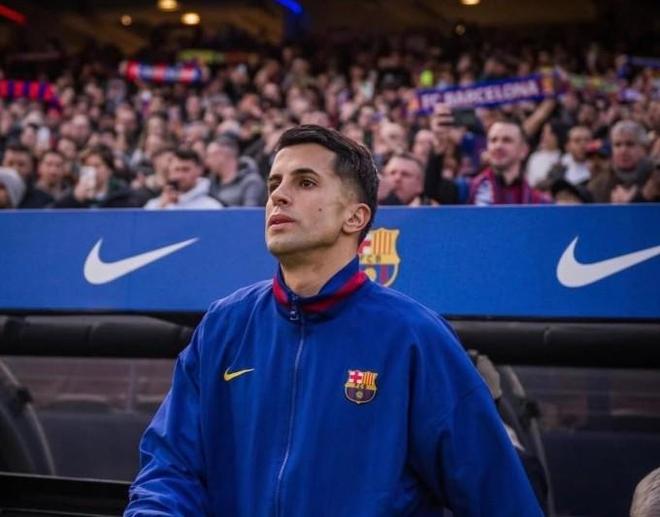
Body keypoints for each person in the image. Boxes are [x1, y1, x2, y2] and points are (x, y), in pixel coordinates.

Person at [126, 125, 542, 516]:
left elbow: (499, 498)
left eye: (305, 182)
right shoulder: (224, 326)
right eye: (274, 184)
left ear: (355, 218)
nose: (279, 196)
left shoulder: (416, 337)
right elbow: (170, 466)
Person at [469, 120, 549, 205]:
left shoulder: (539, 202)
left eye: (507, 140)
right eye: (493, 140)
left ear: (524, 150)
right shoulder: (468, 190)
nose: (498, 146)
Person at [144, 148, 222, 210]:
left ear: (199, 170)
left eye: (185, 170)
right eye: (176, 169)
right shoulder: (154, 205)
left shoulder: (211, 207)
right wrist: (161, 208)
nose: (180, 176)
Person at [206, 136, 266, 207]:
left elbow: (250, 211)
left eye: (210, 156)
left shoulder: (251, 182)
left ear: (222, 156)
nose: (207, 162)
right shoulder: (210, 183)